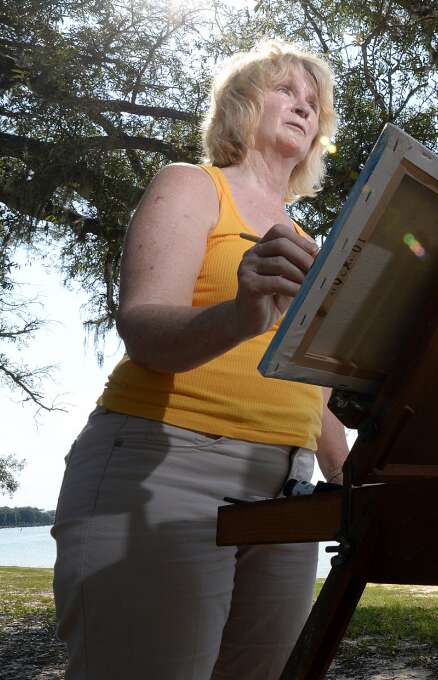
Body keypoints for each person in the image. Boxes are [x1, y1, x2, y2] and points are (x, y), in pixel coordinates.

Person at [51, 40, 348, 679]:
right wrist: (240, 315)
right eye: (285, 90)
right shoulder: (192, 184)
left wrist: (351, 476)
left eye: (313, 102)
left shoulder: (311, 243)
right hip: (170, 467)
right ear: (242, 103)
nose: (303, 106)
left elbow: (314, 390)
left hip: (289, 493)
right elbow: (144, 328)